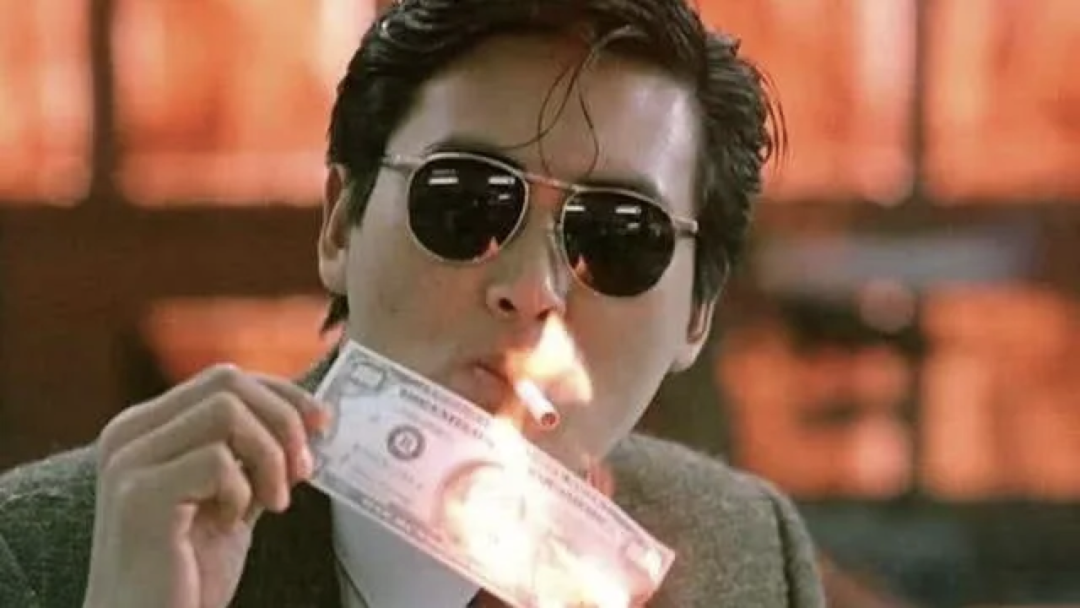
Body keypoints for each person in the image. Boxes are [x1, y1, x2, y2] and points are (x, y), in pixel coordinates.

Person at [0, 0, 825, 606]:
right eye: (464, 202)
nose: (532, 289)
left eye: (619, 235)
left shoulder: (747, 550)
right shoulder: (43, 557)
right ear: (339, 226)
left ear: (696, 313)